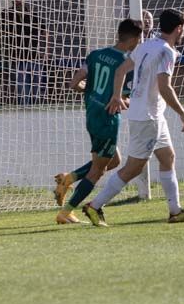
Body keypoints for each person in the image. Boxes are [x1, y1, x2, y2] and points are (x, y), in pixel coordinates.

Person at [81, 9, 184, 226]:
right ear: (179, 28)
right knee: (133, 168)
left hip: (151, 115)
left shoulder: (146, 45)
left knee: (168, 157)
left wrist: (118, 97)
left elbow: (120, 71)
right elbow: (165, 87)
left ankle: (175, 210)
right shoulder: (166, 51)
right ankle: (95, 206)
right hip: (148, 117)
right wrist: (183, 114)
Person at [52, 19, 143, 225]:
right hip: (107, 119)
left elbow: (74, 83)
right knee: (97, 171)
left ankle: (68, 179)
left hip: (91, 114)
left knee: (114, 160)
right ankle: (65, 212)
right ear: (134, 40)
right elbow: (122, 99)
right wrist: (124, 99)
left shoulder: (95, 55)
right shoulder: (127, 65)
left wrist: (93, 92)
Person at [0, 0, 48, 105]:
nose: (18, 1)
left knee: (37, 91)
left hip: (35, 59)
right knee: (23, 92)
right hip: (16, 60)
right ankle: (25, 115)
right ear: (12, 0)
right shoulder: (5, 14)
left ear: (25, 0)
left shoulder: (33, 15)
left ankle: (37, 114)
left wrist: (46, 52)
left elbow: (46, 34)